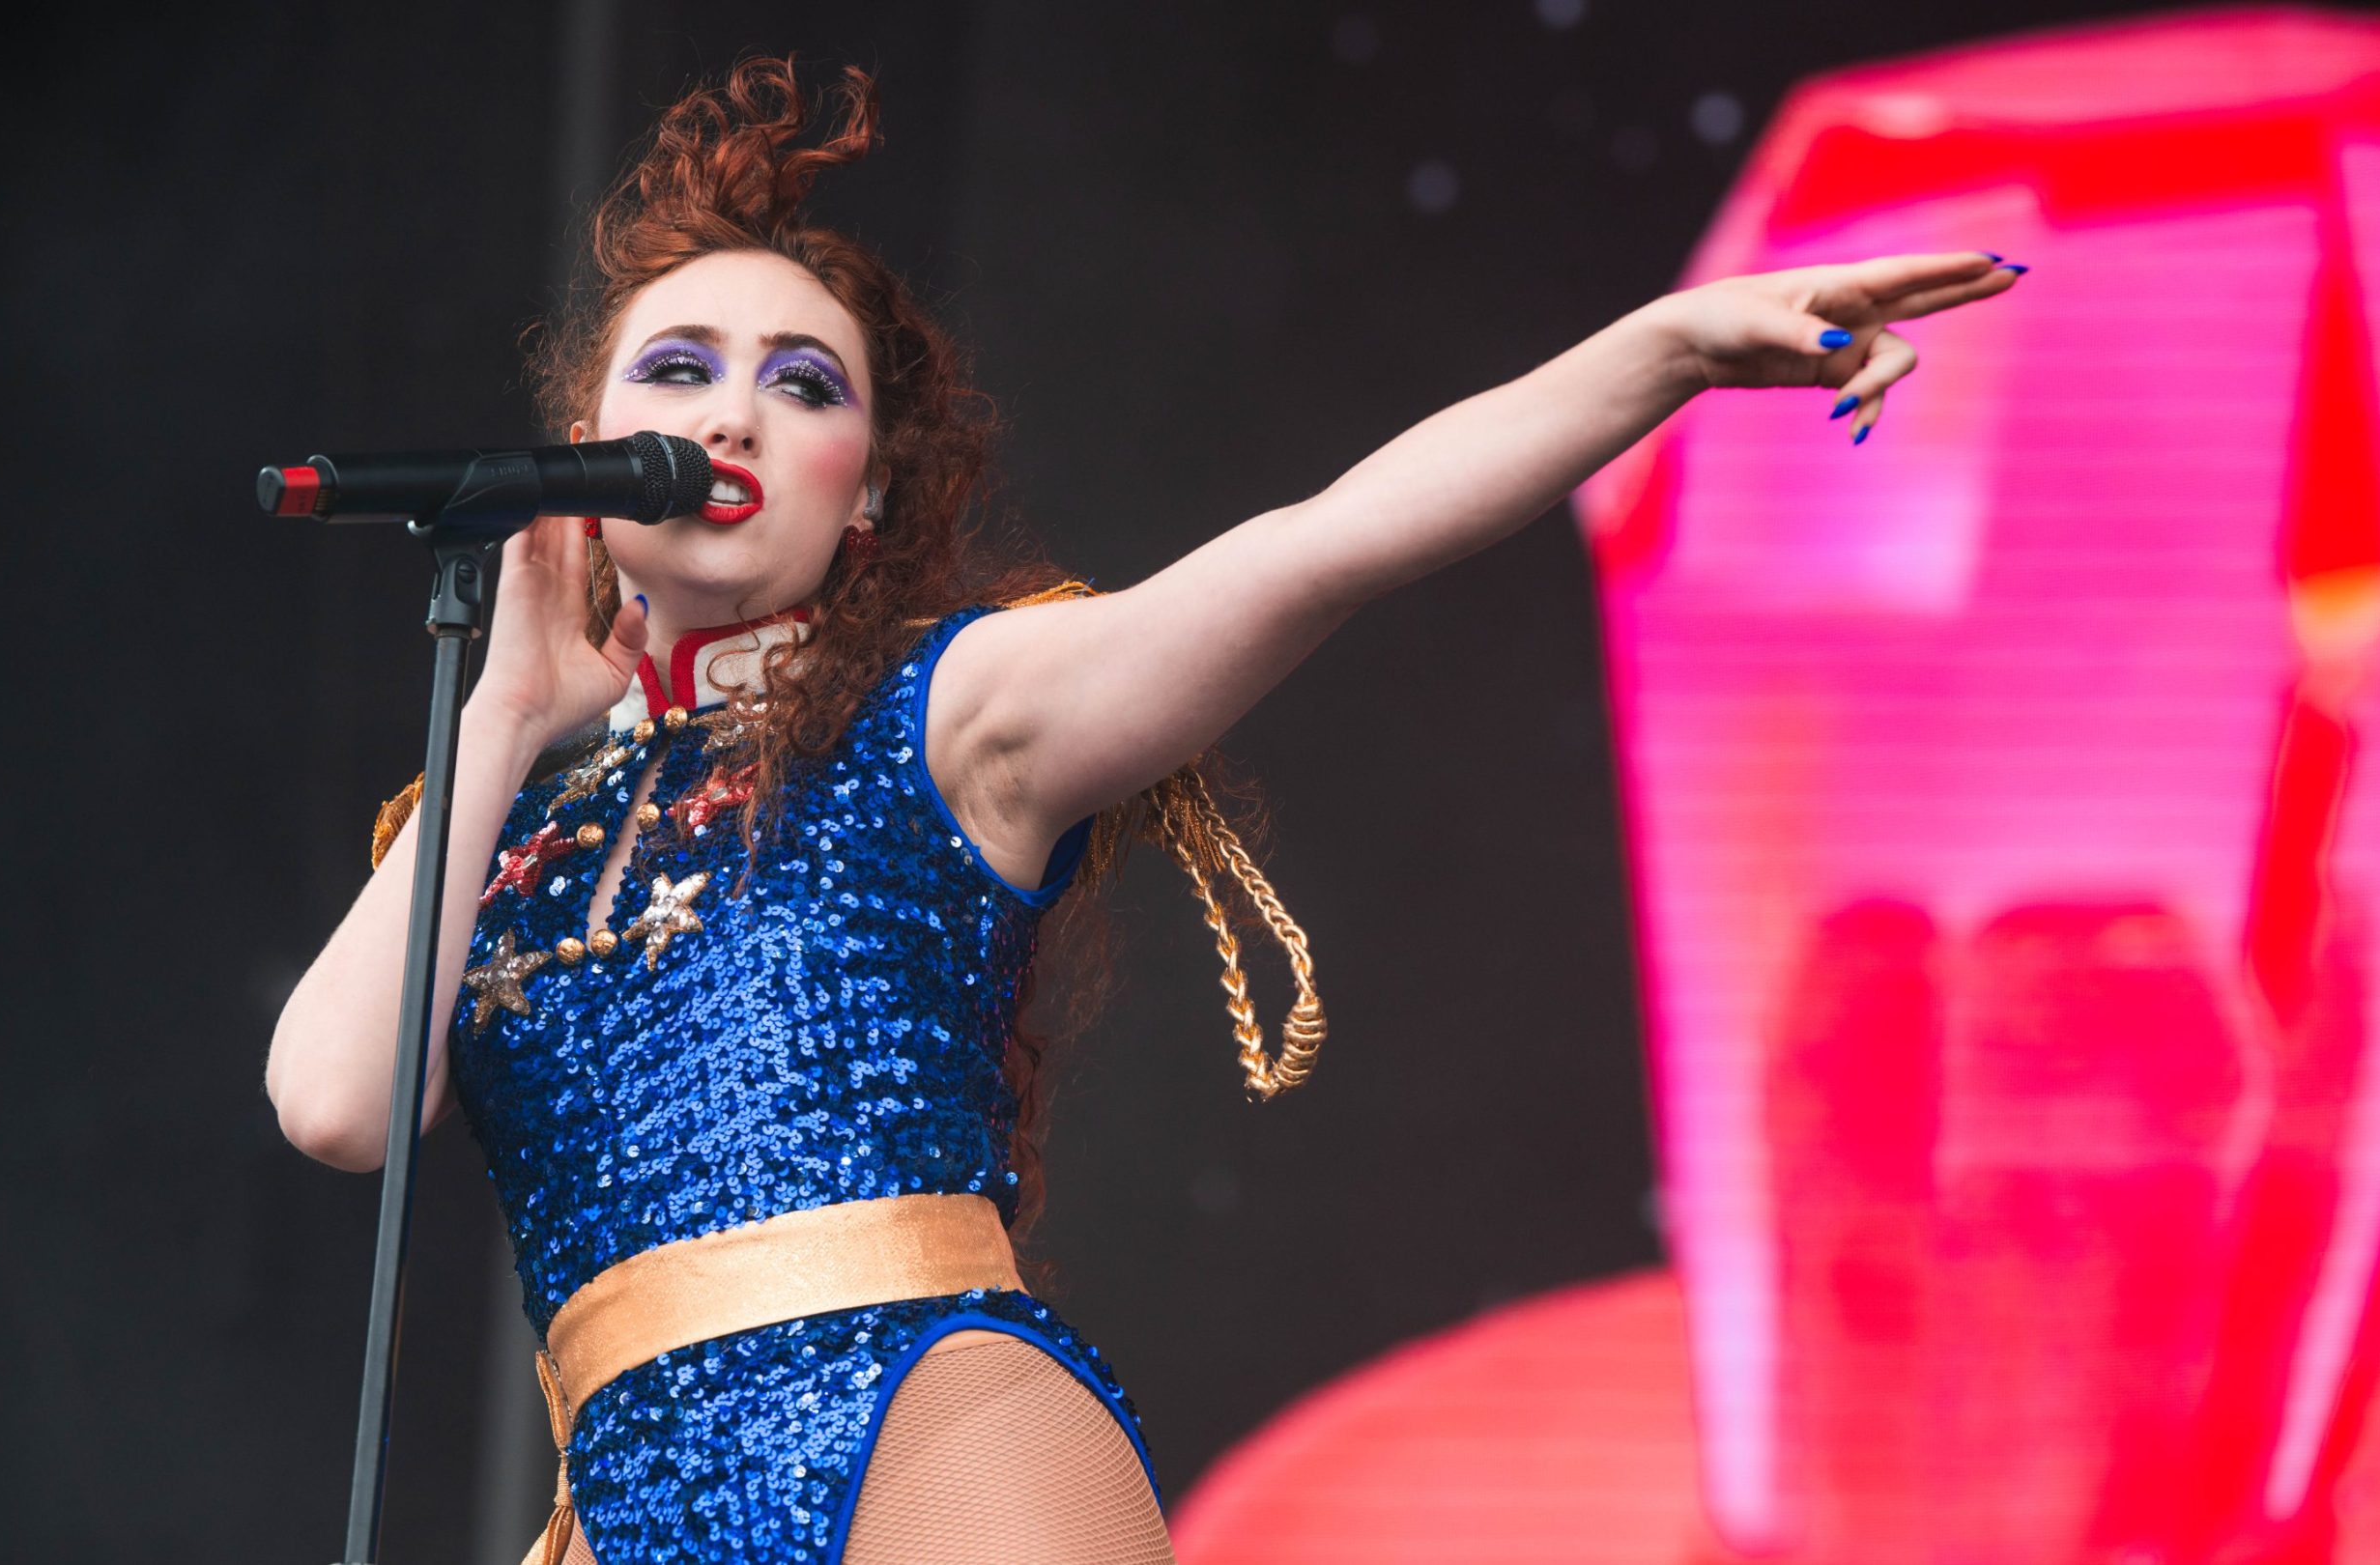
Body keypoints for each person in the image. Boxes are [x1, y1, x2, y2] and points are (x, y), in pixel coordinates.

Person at [262, 55, 2021, 1565]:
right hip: (629, 1495)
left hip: (921, 1423)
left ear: (861, 496)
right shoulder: (507, 829)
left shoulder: (952, 708)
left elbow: (1326, 540)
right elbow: (337, 1105)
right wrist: (504, 719)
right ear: (586, 444)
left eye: (803, 388)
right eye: (677, 371)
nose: (731, 410)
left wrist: (1669, 349)